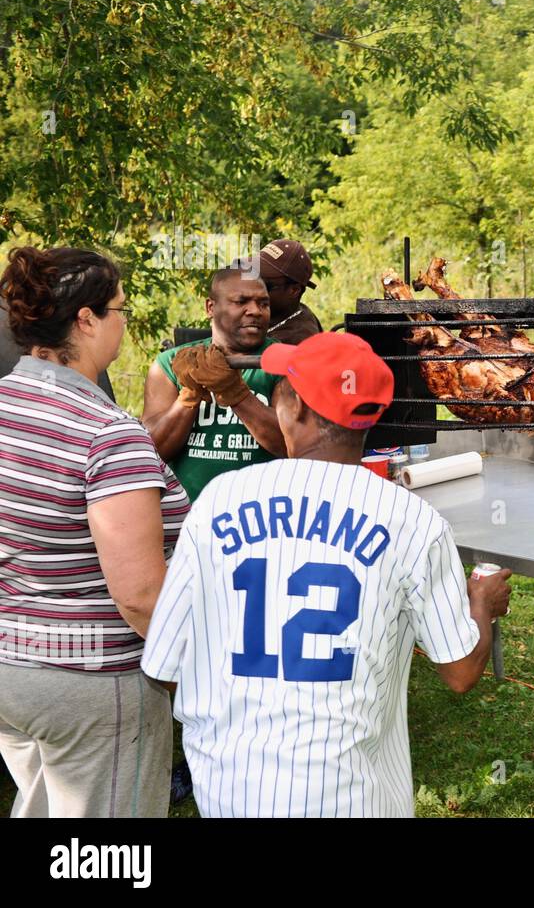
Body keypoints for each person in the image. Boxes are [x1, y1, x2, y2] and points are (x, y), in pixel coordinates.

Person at [141, 331, 512, 817]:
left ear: (292, 409)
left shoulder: (218, 500)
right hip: (352, 794)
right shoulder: (413, 520)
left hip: (229, 788)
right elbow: (461, 672)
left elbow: (164, 662)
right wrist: (481, 603)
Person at [0, 246, 189, 817]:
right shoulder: (107, 433)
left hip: (11, 669)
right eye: (120, 309)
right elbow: (140, 597)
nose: (125, 323)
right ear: (86, 319)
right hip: (91, 681)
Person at [142, 265, 287, 502]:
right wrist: (189, 395)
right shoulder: (171, 364)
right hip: (189, 516)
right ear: (211, 307)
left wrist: (236, 393)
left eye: (263, 303)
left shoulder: (286, 361)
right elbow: (151, 454)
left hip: (262, 513)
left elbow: (290, 445)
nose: (255, 311)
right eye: (241, 301)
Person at [257, 239, 323, 345]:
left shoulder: (295, 342)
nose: (250, 288)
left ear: (294, 290)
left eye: (263, 285)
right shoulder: (280, 314)